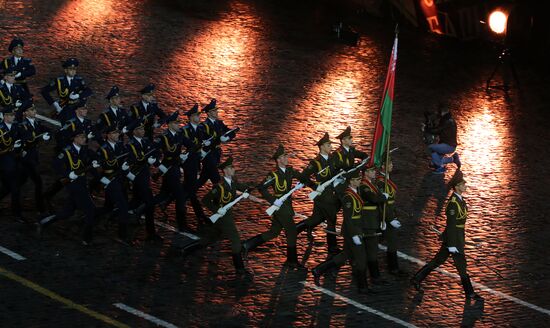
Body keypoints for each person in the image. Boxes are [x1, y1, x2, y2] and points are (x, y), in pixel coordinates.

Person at [411, 171, 483, 300]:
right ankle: (470, 293)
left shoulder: (460, 201)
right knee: (461, 265)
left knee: (438, 261)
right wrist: (451, 244)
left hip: (456, 238)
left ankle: (417, 278)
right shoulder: (453, 204)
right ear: (456, 187)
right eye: (462, 184)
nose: (465, 186)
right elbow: (451, 225)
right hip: (453, 240)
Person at [242, 144, 306, 268]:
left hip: (286, 206)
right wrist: (273, 200)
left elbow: (302, 177)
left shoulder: (289, 170)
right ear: (278, 160)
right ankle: (291, 261)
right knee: (292, 232)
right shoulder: (273, 175)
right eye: (284, 156)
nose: (287, 158)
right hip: (280, 207)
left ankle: (247, 245)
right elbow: (262, 188)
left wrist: (309, 184)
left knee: (274, 232)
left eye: (286, 155)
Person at [311, 170, 374, 294]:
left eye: (359, 179)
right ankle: (363, 287)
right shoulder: (348, 197)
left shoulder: (356, 192)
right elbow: (349, 218)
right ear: (350, 182)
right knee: (361, 258)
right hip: (352, 231)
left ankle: (319, 269)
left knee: (345, 255)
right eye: (356, 180)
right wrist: (355, 234)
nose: (359, 181)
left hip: (356, 228)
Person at [36, 128, 98, 246]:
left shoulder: (84, 150)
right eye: (80, 137)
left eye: (84, 137)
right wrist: (67, 174)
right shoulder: (66, 151)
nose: (83, 139)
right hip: (74, 185)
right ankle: (87, 239)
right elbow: (56, 164)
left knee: (67, 212)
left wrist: (95, 162)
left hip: (82, 182)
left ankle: (43, 221)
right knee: (90, 211)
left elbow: (92, 158)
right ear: (74, 139)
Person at [200, 156, 252, 275]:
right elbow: (205, 200)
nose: (234, 169)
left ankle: (189, 249)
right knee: (235, 240)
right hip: (223, 216)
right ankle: (239, 269)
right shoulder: (220, 187)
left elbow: (242, 187)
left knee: (212, 236)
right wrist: (217, 209)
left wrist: (256, 186)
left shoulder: (232, 183)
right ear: (226, 171)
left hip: (224, 216)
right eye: (231, 167)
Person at [296, 132, 341, 254]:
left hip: (331, 192)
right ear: (321, 147)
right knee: (331, 220)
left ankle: (296, 230)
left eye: (330, 144)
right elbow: (303, 176)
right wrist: (314, 186)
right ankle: (332, 248)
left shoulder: (333, 158)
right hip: (323, 196)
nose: (330, 147)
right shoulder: (315, 162)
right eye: (328, 145)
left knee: (316, 218)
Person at [125, 118, 162, 241]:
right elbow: (130, 160)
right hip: (137, 176)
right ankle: (151, 233)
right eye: (139, 129)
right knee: (150, 203)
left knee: (135, 201)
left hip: (144, 176)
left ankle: (115, 215)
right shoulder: (130, 145)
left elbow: (156, 151)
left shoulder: (146, 141)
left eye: (142, 128)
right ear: (134, 132)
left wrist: (155, 160)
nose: (142, 131)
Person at [95, 125, 132, 245]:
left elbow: (127, 157)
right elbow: (103, 166)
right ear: (108, 135)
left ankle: (89, 216)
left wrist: (125, 168)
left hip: (120, 179)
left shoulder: (120, 145)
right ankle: (122, 235)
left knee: (108, 207)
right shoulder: (103, 149)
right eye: (114, 133)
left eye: (117, 133)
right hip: (110, 181)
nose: (117, 135)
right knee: (123, 207)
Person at [153, 110, 188, 231]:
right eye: (176, 123)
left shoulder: (179, 135)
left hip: (175, 168)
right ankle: (182, 225)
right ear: (170, 124)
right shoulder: (163, 138)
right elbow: (153, 154)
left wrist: (188, 153)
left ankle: (142, 208)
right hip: (168, 169)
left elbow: (189, 144)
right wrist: (159, 166)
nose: (179, 125)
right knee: (180, 196)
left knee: (163, 194)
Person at [197, 99, 239, 188]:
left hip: (215, 154)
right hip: (207, 155)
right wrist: (214, 140)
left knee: (202, 179)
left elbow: (230, 131)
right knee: (217, 180)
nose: (216, 112)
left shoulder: (219, 123)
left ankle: (186, 195)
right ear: (208, 113)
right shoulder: (204, 125)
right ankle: (219, 199)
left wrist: (227, 137)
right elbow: (203, 139)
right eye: (214, 111)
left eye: (216, 110)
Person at [18, 100, 51, 213]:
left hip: (32, 157)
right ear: (25, 113)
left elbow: (47, 130)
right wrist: (39, 137)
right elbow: (27, 140)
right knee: (38, 182)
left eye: (34, 109)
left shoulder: (35, 123)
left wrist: (48, 135)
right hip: (27, 158)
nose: (34, 111)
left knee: (20, 182)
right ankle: (40, 208)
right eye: (31, 110)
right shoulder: (22, 126)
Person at [376, 157, 407, 276]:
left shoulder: (387, 179)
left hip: (389, 213)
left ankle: (393, 267)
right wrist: (390, 219)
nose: (392, 165)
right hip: (383, 216)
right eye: (389, 163)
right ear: (383, 166)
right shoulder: (380, 182)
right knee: (377, 241)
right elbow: (383, 203)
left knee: (390, 241)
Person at [360, 165, 390, 285]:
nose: (374, 172)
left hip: (374, 220)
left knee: (370, 249)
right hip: (368, 222)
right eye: (372, 171)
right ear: (366, 173)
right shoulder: (363, 186)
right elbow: (373, 199)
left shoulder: (372, 184)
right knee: (371, 250)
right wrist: (383, 197)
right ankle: (375, 277)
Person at [181, 103, 209, 224]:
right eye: (197, 115)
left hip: (196, 161)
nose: (199, 117)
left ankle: (165, 201)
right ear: (192, 117)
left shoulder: (200, 129)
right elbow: (188, 144)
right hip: (188, 163)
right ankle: (200, 214)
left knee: (186, 188)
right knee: (191, 190)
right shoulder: (185, 130)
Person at [41, 58, 93, 123]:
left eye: (75, 69)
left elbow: (89, 91)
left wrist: (78, 95)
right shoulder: (59, 81)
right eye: (71, 69)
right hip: (65, 107)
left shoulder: (79, 80)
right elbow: (44, 91)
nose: (73, 71)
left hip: (76, 106)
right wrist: (55, 104)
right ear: (66, 70)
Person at [423, 101, 461, 174]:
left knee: (430, 148)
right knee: (434, 162)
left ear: (442, 111)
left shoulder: (447, 121)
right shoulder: (447, 119)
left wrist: (426, 129)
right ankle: (453, 159)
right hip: (446, 145)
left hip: (448, 146)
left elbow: (437, 130)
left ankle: (441, 168)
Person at [0, 106, 23, 221]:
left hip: (12, 161)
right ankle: (16, 214)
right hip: (4, 163)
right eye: (10, 115)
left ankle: (16, 213)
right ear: (4, 116)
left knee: (8, 187)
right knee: (14, 188)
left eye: (13, 115)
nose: (13, 117)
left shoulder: (15, 126)